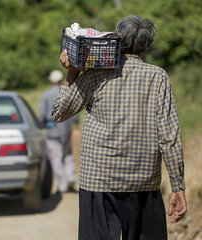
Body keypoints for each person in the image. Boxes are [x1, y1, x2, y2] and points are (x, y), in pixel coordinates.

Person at [53, 15, 187, 240]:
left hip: (98, 181)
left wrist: (73, 72)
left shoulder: (94, 74)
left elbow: (59, 113)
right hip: (143, 182)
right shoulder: (158, 77)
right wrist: (178, 186)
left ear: (117, 38)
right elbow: (169, 136)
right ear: (148, 45)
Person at [39, 70, 80, 194]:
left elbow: (41, 115)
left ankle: (62, 186)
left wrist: (40, 127)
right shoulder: (66, 92)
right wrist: (76, 128)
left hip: (52, 132)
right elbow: (74, 111)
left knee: (56, 158)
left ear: (51, 80)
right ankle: (71, 178)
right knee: (67, 155)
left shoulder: (46, 95)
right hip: (66, 130)